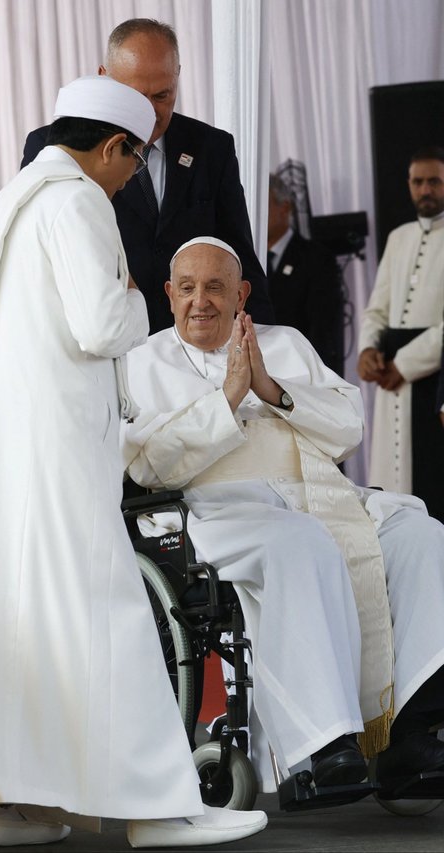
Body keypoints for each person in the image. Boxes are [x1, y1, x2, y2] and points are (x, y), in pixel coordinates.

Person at [0, 81, 267, 848]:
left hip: (2, 450)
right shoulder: (78, 202)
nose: (134, 176)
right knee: (106, 612)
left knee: (16, 620)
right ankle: (155, 806)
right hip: (59, 450)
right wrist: (135, 297)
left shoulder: (12, 197)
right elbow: (105, 324)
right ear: (111, 147)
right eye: (134, 161)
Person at [121, 235, 444, 797]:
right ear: (168, 295)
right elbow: (150, 465)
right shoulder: (141, 362)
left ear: (242, 293)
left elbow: (348, 428)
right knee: (300, 543)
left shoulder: (285, 343)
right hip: (219, 508)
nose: (203, 301)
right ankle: (325, 745)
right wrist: (226, 399)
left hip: (320, 494)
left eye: (217, 287)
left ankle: (411, 733)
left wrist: (269, 388)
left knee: (420, 533)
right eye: (189, 288)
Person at [21, 18, 273, 334]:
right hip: (103, 345)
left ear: (178, 75)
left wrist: (265, 343)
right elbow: (40, 267)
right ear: (104, 78)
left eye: (162, 96)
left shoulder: (211, 147)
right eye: (137, 97)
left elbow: (238, 256)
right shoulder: (53, 147)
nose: (150, 112)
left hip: (194, 348)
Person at [357, 145, 444, 523]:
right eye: (418, 182)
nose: (426, 189)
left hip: (432, 377)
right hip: (392, 374)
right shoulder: (399, 236)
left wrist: (405, 364)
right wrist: (367, 350)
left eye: (435, 182)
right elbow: (377, 307)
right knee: (394, 490)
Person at [267, 172, 343, 375]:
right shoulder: (243, 261)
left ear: (285, 208)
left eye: (262, 205)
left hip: (300, 377)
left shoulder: (317, 259)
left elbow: (323, 333)